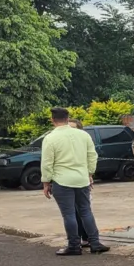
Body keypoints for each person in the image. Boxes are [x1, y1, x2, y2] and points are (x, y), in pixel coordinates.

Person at [41, 107, 109, 255]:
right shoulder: (83, 135)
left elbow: (47, 163)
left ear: (52, 120)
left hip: (62, 180)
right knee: (85, 211)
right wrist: (90, 173)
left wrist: (46, 182)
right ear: (68, 118)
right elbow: (92, 156)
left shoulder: (50, 138)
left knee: (69, 214)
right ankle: (95, 243)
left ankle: (74, 245)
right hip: (82, 179)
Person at [67, 119, 92, 248]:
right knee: (72, 212)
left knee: (83, 210)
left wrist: (90, 174)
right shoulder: (63, 144)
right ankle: (77, 239)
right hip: (66, 182)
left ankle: (87, 238)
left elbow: (91, 158)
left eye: (73, 129)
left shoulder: (84, 143)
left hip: (82, 181)